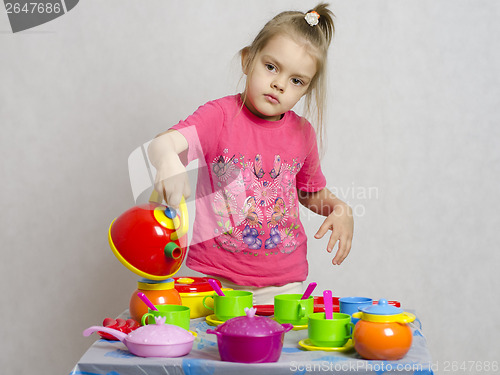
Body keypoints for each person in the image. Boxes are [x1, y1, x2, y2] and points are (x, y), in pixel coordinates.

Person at [148, 3, 354, 304]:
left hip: (282, 287)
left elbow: (309, 192)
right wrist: (168, 161)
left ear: (306, 89)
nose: (279, 84)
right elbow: (163, 144)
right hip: (214, 279)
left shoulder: (303, 134)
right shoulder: (218, 116)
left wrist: (339, 207)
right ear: (248, 60)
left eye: (296, 81)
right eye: (271, 67)